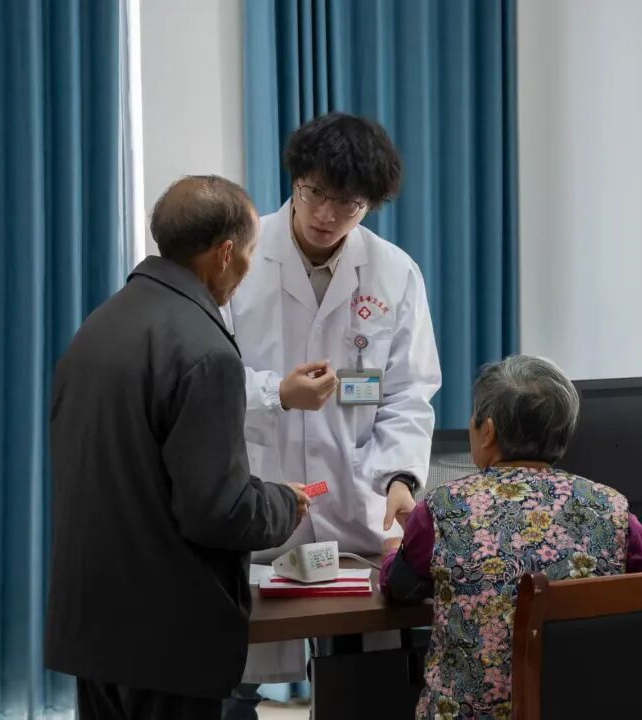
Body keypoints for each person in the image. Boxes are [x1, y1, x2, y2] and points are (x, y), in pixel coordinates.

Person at [46, 176, 310, 720]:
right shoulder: (205, 351)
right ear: (226, 253)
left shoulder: (99, 327)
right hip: (166, 635)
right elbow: (217, 510)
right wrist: (284, 502)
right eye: (251, 254)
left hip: (94, 626)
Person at [222, 112, 442, 710]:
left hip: (355, 504)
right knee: (235, 677)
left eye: (348, 203)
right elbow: (205, 378)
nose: (326, 214)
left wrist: (399, 478)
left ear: (370, 204)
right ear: (294, 180)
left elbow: (407, 392)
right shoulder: (238, 259)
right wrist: (275, 393)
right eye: (314, 192)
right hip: (259, 497)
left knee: (364, 684)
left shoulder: (394, 272)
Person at [381, 355, 642, 719]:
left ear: (488, 431)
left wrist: (393, 550)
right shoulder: (612, 508)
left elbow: (400, 587)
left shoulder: (441, 508)